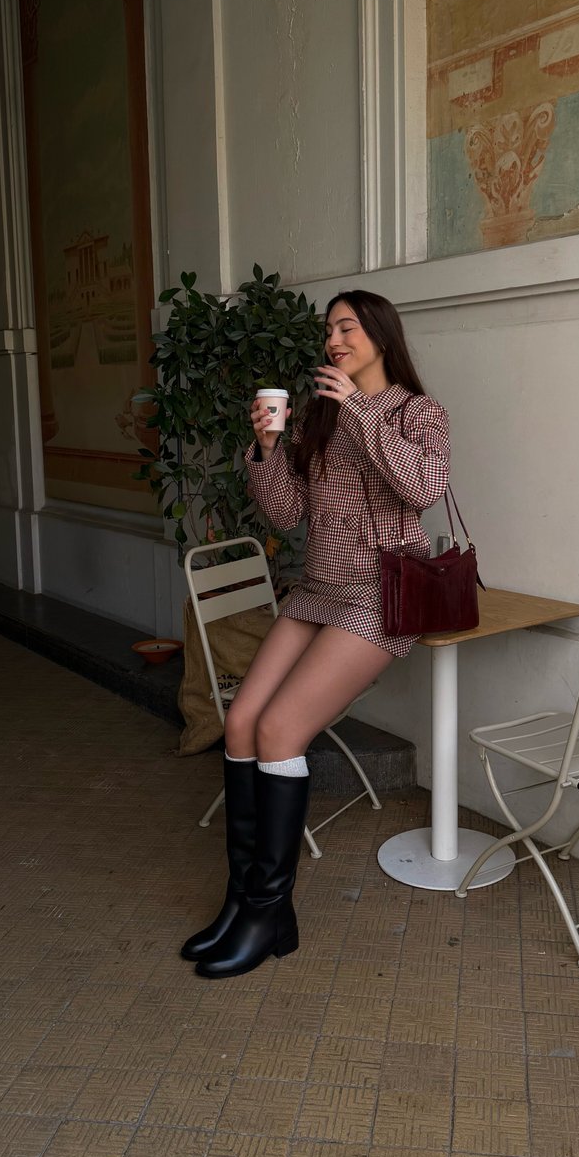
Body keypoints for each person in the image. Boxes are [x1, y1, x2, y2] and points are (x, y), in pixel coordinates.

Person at [181, 289, 450, 979]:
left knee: (280, 731)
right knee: (241, 720)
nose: (332, 339)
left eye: (346, 327)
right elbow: (287, 513)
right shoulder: (324, 417)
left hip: (378, 596)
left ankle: (270, 910)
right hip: (316, 591)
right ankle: (247, 903)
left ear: (380, 335)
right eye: (327, 330)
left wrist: (361, 412)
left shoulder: (420, 412)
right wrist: (268, 448)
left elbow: (421, 486)